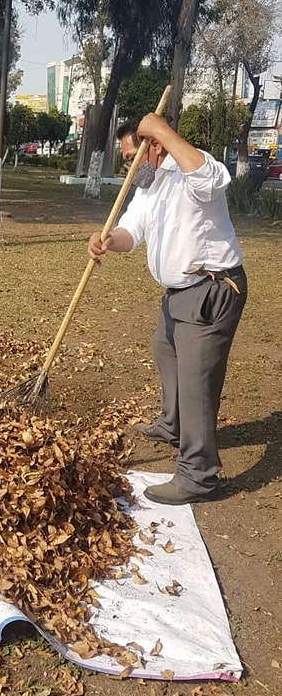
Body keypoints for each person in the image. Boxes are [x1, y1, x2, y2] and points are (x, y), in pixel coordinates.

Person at [88, 112, 247, 506]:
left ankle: (199, 476)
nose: (129, 164)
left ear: (154, 145)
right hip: (177, 293)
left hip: (210, 289)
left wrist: (160, 129)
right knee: (165, 347)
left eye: (131, 155)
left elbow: (214, 178)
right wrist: (107, 240)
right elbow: (132, 231)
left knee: (197, 384)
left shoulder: (191, 169)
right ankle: (174, 425)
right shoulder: (149, 182)